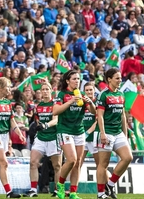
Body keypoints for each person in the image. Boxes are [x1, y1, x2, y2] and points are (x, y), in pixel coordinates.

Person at [53, 70, 95, 199]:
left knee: (77, 163)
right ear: (67, 81)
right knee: (72, 159)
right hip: (64, 130)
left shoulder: (81, 94)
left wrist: (90, 102)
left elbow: (93, 112)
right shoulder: (62, 94)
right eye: (74, 79)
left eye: (78, 79)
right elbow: (55, 111)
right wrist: (70, 101)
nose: (77, 81)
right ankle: (60, 185)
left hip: (79, 131)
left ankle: (73, 192)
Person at [96, 69, 133, 199]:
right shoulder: (103, 95)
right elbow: (99, 116)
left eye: (120, 78)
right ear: (109, 79)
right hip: (107, 132)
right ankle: (100, 194)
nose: (120, 80)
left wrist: (125, 134)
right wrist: (102, 133)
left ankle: (110, 185)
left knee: (128, 157)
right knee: (103, 164)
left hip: (118, 132)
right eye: (117, 78)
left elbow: (123, 115)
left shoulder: (121, 94)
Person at [28, 82, 60, 197]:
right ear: (40, 92)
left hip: (54, 137)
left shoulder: (55, 104)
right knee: (33, 162)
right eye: (43, 89)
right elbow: (37, 120)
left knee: (57, 166)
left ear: (51, 90)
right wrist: (38, 125)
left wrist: (46, 125)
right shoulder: (38, 106)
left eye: (47, 89)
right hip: (41, 137)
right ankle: (33, 190)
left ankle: (57, 190)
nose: (45, 91)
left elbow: (55, 120)